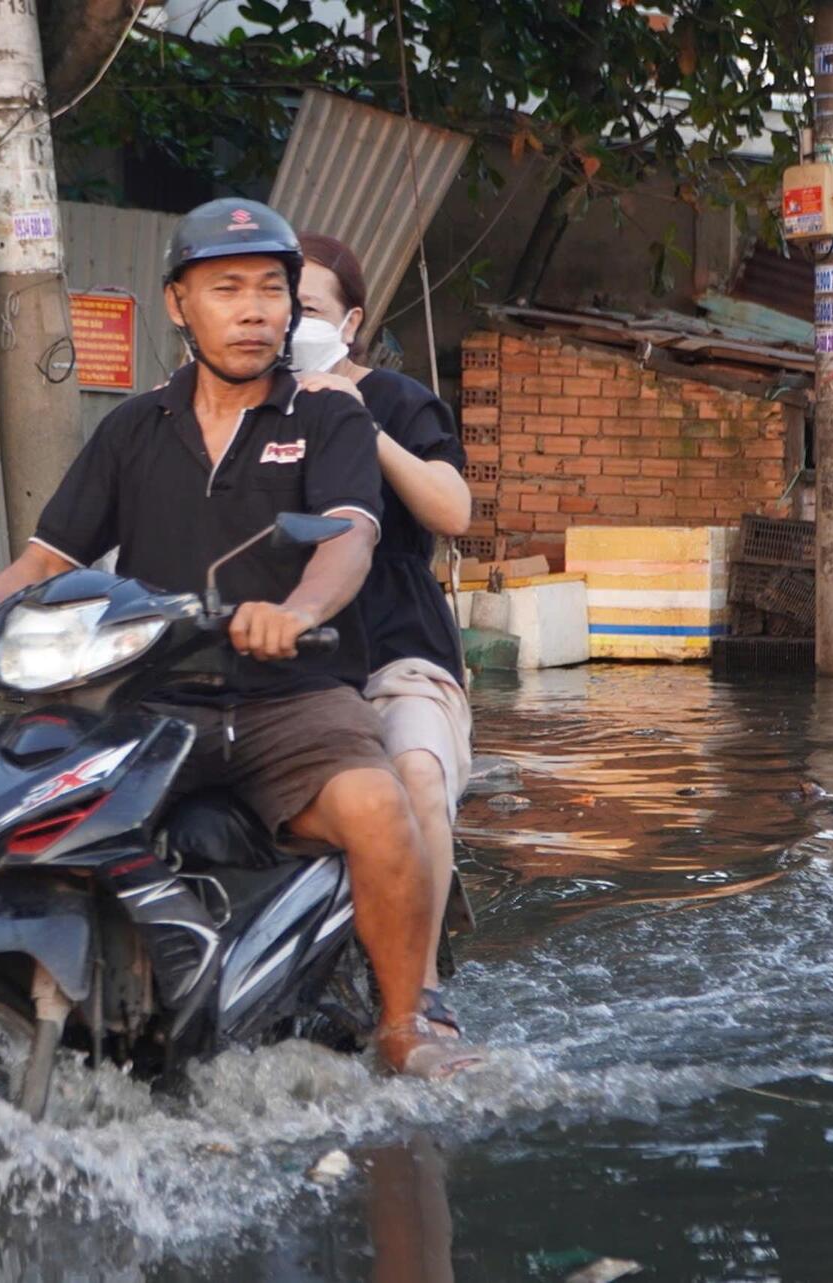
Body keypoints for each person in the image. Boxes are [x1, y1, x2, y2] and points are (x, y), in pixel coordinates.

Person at [0, 199, 475, 1079]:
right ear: (179, 303)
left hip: (293, 697)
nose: (255, 309)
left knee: (380, 809)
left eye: (272, 289)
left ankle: (408, 1021)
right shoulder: (134, 428)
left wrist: (297, 612)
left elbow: (350, 536)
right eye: (228, 289)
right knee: (29, 801)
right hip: (152, 701)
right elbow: (42, 557)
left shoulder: (328, 418)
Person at [290, 234, 477, 1039]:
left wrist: (359, 425)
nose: (288, 322)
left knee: (417, 774)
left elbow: (453, 510)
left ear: (350, 319)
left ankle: (422, 987)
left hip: (400, 641)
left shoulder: (399, 400)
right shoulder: (247, 404)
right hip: (296, 645)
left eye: (306, 308)